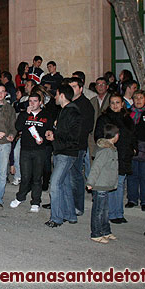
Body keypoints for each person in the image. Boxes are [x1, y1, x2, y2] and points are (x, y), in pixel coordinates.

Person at [94, 94, 136, 224]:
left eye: (117, 102)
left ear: (122, 104)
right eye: (112, 103)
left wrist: (134, 149)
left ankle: (119, 213)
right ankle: (112, 214)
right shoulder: (104, 118)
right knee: (112, 184)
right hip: (111, 156)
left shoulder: (127, 118)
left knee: (120, 184)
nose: (115, 105)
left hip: (124, 156)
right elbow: (98, 137)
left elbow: (134, 135)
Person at [44, 84, 82, 228]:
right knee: (64, 184)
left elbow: (71, 135)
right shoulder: (66, 111)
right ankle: (70, 215)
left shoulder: (70, 112)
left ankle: (56, 218)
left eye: (56, 94)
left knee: (54, 184)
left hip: (66, 152)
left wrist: (54, 136)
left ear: (62, 95)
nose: (54, 97)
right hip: (64, 151)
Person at [10, 92, 53, 212]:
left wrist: (44, 138)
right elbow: (18, 127)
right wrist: (26, 114)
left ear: (40, 103)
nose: (32, 103)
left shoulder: (46, 115)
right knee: (25, 176)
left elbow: (49, 130)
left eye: (35, 101)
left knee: (37, 177)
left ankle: (35, 201)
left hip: (39, 150)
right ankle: (20, 197)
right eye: (30, 101)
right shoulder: (24, 114)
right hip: (25, 150)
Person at [86, 124, 120, 244]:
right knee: (98, 210)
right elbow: (96, 167)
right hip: (100, 185)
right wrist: (90, 182)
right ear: (116, 136)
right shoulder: (105, 151)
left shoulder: (112, 149)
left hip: (105, 185)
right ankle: (96, 233)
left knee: (105, 210)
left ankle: (105, 230)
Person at [68, 77, 95, 217]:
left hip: (77, 146)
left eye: (74, 86)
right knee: (67, 176)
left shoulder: (85, 105)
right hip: (67, 145)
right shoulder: (69, 102)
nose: (71, 89)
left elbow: (86, 127)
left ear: (80, 88)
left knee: (76, 176)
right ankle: (68, 203)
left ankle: (78, 206)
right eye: (70, 86)